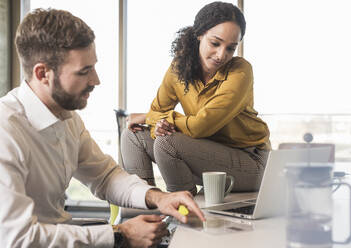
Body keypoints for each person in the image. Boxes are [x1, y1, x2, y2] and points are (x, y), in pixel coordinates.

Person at [0, 8, 205, 248]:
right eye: (84, 71)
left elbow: (105, 177)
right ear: (43, 73)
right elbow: (15, 239)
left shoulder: (68, 119)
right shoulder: (6, 131)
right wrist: (120, 235)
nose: (96, 80)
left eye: (93, 67)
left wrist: (159, 198)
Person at [121, 1, 271, 196]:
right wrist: (155, 121)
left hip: (252, 161)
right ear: (199, 34)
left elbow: (202, 126)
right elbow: (157, 111)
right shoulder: (178, 68)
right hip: (206, 153)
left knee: (168, 142)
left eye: (230, 48)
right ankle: (146, 211)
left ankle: (184, 214)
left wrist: (156, 119)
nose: (221, 55)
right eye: (215, 43)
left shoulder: (240, 71)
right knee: (132, 136)